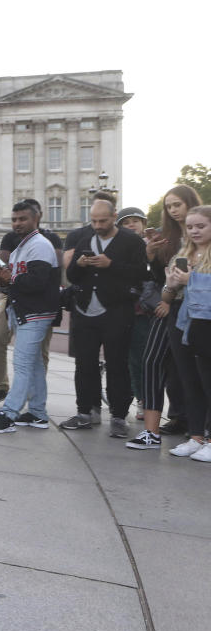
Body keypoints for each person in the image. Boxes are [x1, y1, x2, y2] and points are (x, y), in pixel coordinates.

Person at [62, 199, 148, 437]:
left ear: (114, 217)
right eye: (94, 221)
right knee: (84, 364)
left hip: (117, 312)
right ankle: (85, 412)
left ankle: (119, 417)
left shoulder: (131, 241)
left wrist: (112, 265)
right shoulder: (85, 240)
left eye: (103, 221)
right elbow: (72, 277)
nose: (98, 225)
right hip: (85, 311)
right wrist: (79, 265)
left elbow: (142, 273)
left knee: (118, 364)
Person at [128, 185, 202, 444]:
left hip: (197, 312)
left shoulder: (201, 237)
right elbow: (155, 278)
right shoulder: (166, 237)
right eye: (169, 206)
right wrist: (149, 255)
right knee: (153, 361)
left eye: (177, 205)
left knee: (192, 370)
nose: (172, 211)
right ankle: (153, 430)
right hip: (169, 307)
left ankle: (196, 430)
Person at [0, 202, 61, 432]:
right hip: (25, 311)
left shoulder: (39, 246)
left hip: (36, 313)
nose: (17, 223)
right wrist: (7, 279)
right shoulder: (23, 246)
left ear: (36, 219)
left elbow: (38, 282)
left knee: (23, 363)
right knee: (35, 364)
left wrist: (11, 278)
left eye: (22, 219)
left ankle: (9, 413)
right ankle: (38, 413)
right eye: (14, 219)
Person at [164, 205, 211, 461]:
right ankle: (196, 436)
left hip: (207, 324)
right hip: (185, 323)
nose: (194, 231)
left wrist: (190, 280)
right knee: (189, 381)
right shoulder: (184, 253)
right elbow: (166, 296)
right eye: (190, 226)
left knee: (208, 381)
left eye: (200, 226)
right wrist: (171, 284)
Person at [116, 206, 151, 419]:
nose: (131, 225)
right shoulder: (118, 247)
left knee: (148, 359)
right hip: (125, 309)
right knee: (132, 359)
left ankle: (149, 399)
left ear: (143, 224)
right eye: (126, 222)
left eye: (135, 221)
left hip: (148, 310)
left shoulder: (152, 245)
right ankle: (141, 399)